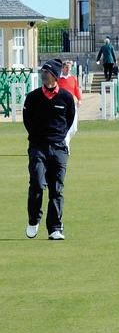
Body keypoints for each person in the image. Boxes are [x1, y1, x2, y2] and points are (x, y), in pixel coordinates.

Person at [24, 60, 77, 240]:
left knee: (56, 189)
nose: (43, 74)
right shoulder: (32, 97)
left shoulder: (66, 98)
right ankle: (34, 219)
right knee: (38, 184)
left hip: (59, 148)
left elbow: (70, 120)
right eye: (42, 71)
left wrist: (59, 138)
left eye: (46, 71)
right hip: (38, 146)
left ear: (54, 75)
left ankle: (55, 228)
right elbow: (27, 121)